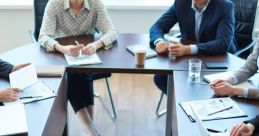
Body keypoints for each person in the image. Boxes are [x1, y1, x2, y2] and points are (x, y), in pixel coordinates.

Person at [38, 0, 117, 135]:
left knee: (80, 70)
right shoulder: (55, 4)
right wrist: (62, 48)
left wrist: (96, 44)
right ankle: (90, 128)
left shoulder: (95, 3)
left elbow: (112, 32)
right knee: (73, 72)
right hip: (60, 56)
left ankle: (89, 129)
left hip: (86, 55)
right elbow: (43, 36)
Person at [149, 0, 237, 94]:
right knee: (161, 78)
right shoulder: (181, 3)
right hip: (190, 60)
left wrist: (188, 49)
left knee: (206, 88)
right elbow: (158, 26)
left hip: (218, 59)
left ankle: (187, 104)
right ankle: (180, 105)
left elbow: (222, 43)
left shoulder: (225, 6)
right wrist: (159, 41)